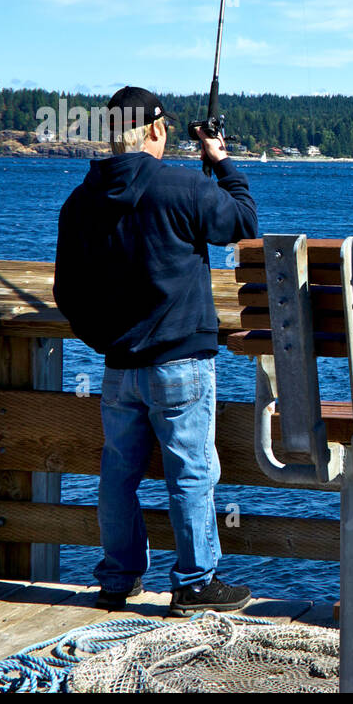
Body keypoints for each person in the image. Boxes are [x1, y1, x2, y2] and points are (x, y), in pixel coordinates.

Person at [54, 85, 259, 616]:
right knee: (190, 471)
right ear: (157, 129)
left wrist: (105, 341)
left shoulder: (80, 201)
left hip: (119, 366)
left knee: (118, 475)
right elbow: (242, 223)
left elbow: (67, 293)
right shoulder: (183, 186)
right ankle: (193, 583)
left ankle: (119, 578)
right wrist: (222, 161)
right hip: (181, 362)